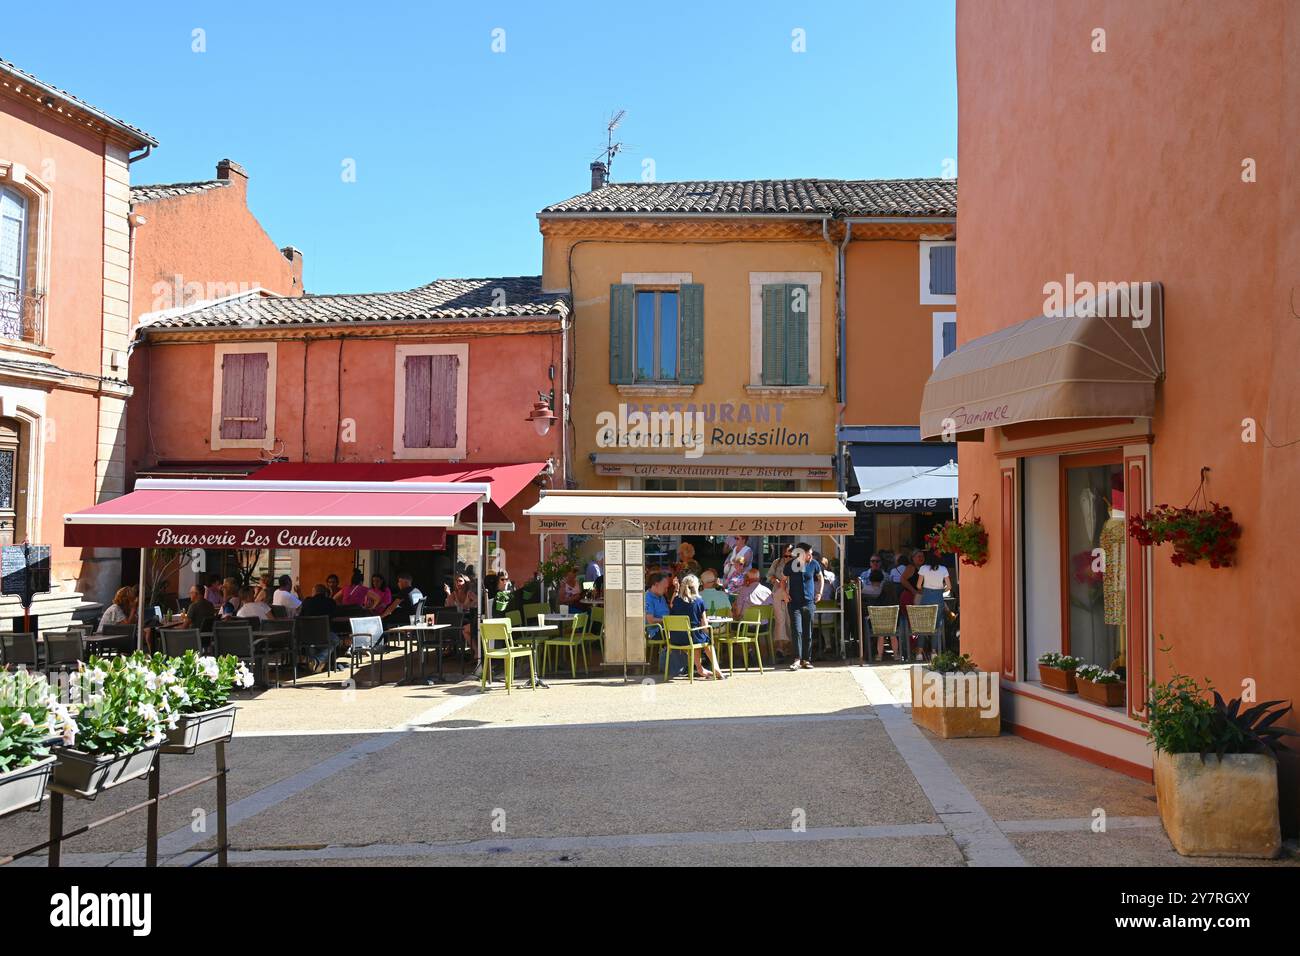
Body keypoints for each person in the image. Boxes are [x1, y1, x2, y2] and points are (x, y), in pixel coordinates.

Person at [670, 574, 724, 680]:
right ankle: (716, 667)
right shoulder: (699, 601)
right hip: (691, 636)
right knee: (705, 641)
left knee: (697, 639)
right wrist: (708, 635)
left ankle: (700, 668)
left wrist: (676, 590)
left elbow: (672, 605)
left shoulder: (676, 600)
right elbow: (704, 624)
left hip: (676, 638)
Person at [785, 542, 824, 671]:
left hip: (809, 603)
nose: (811, 556)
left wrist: (819, 592)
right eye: (809, 554)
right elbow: (783, 580)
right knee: (797, 630)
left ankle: (806, 660)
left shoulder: (814, 564)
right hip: (794, 603)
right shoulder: (791, 564)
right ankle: (797, 659)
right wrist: (785, 593)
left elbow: (820, 577)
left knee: (808, 631)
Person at [915, 551, 951, 659]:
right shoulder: (944, 569)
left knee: (923, 623)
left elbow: (918, 585)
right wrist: (940, 590)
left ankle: (919, 653)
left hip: (926, 597)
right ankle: (934, 652)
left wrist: (926, 590)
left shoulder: (923, 568)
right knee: (936, 624)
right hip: (938, 597)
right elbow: (949, 586)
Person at [643, 572, 673, 673]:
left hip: (666, 628)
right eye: (664, 587)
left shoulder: (661, 596)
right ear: (656, 585)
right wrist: (666, 620)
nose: (666, 590)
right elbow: (650, 620)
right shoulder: (648, 598)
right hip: (655, 631)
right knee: (680, 634)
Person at [767, 547, 794, 661]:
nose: (787, 558)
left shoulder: (796, 564)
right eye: (785, 556)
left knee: (789, 621)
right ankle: (780, 648)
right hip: (778, 593)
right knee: (779, 621)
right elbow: (769, 576)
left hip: (791, 594)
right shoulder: (777, 562)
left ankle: (789, 649)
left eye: (789, 556)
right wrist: (775, 580)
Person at [898, 551, 921, 661]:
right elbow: (902, 580)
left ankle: (915, 649)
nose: (921, 558)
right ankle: (911, 649)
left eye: (923, 556)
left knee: (915, 623)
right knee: (911, 624)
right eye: (918, 556)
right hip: (908, 597)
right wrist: (914, 591)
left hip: (916, 597)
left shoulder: (923, 568)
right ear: (913, 558)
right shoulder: (911, 568)